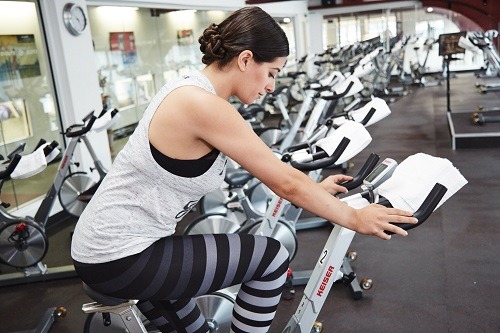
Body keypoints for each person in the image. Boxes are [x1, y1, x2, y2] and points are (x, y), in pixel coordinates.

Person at [71, 6, 417, 333]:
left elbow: (267, 167)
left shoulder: (193, 91)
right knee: (269, 257)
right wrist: (355, 218)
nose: (272, 86)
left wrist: (315, 191)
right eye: (271, 73)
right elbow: (287, 183)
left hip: (112, 249)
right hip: (119, 255)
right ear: (246, 59)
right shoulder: (202, 105)